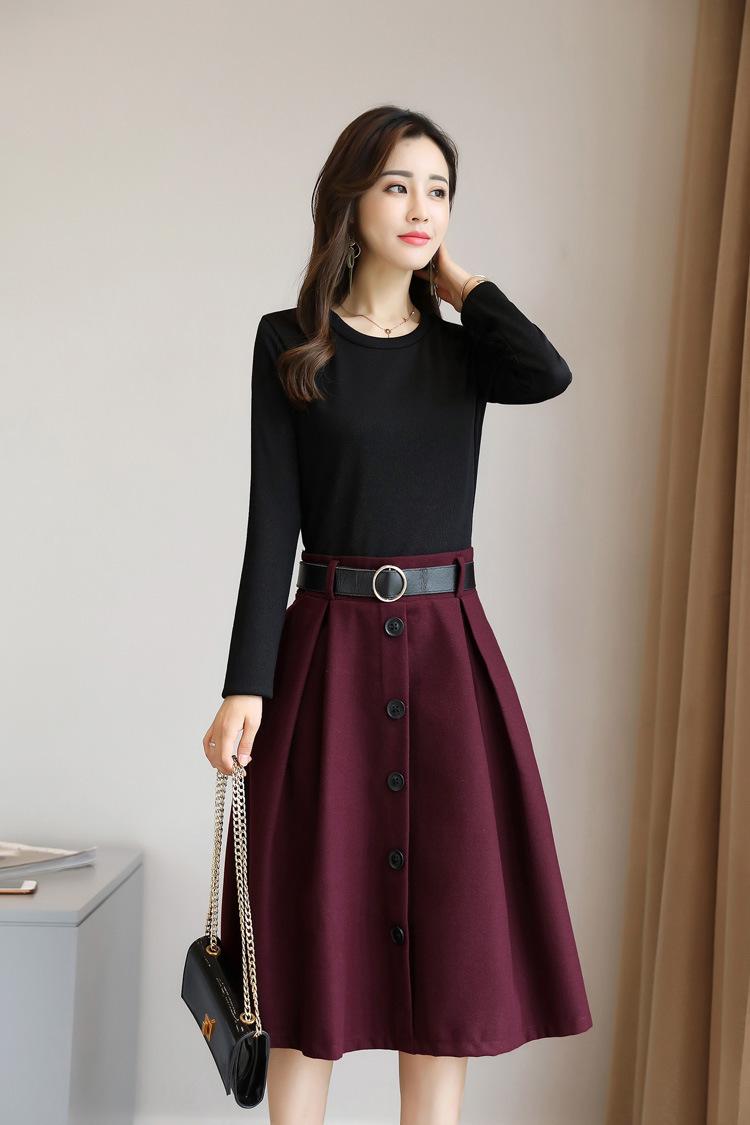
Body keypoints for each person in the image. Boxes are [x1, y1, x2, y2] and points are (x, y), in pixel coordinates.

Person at [202, 104, 592, 1125]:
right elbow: (272, 523)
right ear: (351, 200)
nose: (422, 207)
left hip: (448, 664)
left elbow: (547, 373)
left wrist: (461, 286)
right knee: (308, 946)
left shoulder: (467, 353)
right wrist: (246, 684)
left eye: (439, 190)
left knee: (448, 956)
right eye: (397, 185)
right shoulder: (291, 343)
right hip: (325, 659)